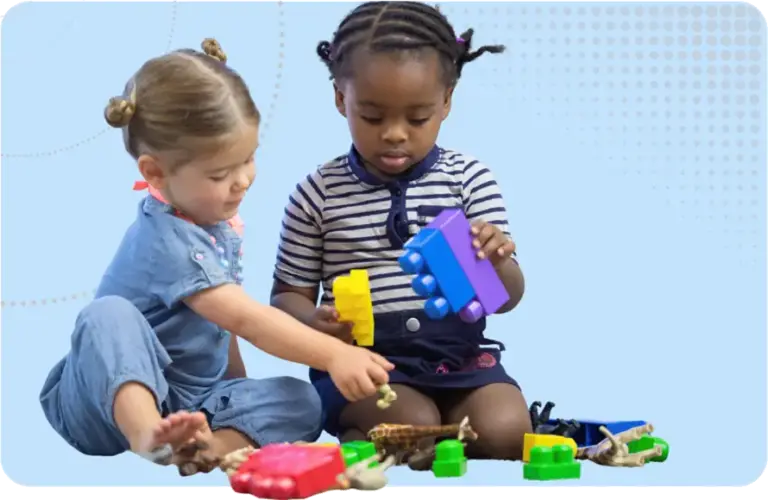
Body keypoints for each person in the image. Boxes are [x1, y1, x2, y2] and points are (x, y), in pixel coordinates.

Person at [39, 38, 393, 475]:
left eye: (249, 159)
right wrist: (333, 355)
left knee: (304, 400)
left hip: (190, 402)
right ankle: (149, 434)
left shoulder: (213, 224)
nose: (243, 180)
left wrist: (239, 397)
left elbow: (225, 327)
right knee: (107, 315)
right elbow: (246, 319)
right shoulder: (167, 238)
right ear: (155, 172)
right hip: (99, 403)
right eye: (221, 173)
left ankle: (208, 447)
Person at [271, 1, 533, 461]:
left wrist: (496, 262)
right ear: (340, 98)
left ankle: (436, 429)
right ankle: (363, 427)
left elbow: (506, 298)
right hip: (364, 364)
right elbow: (286, 296)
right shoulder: (317, 194)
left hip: (462, 360)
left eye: (417, 118)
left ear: (446, 101)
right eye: (373, 117)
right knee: (413, 429)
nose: (395, 134)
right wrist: (314, 323)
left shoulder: (468, 179)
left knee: (508, 433)